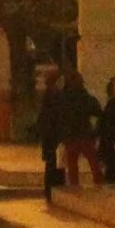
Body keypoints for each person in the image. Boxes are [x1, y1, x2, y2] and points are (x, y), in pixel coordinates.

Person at [51, 70, 101, 187]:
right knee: (93, 161)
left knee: (72, 163)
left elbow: (58, 116)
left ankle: (75, 186)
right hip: (85, 133)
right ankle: (99, 183)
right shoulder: (86, 97)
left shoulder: (62, 99)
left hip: (70, 135)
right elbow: (97, 111)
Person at [36, 71, 68, 201]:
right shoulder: (55, 96)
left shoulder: (51, 95)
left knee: (54, 165)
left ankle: (52, 191)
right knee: (55, 165)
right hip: (53, 136)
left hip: (51, 136)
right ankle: (53, 192)